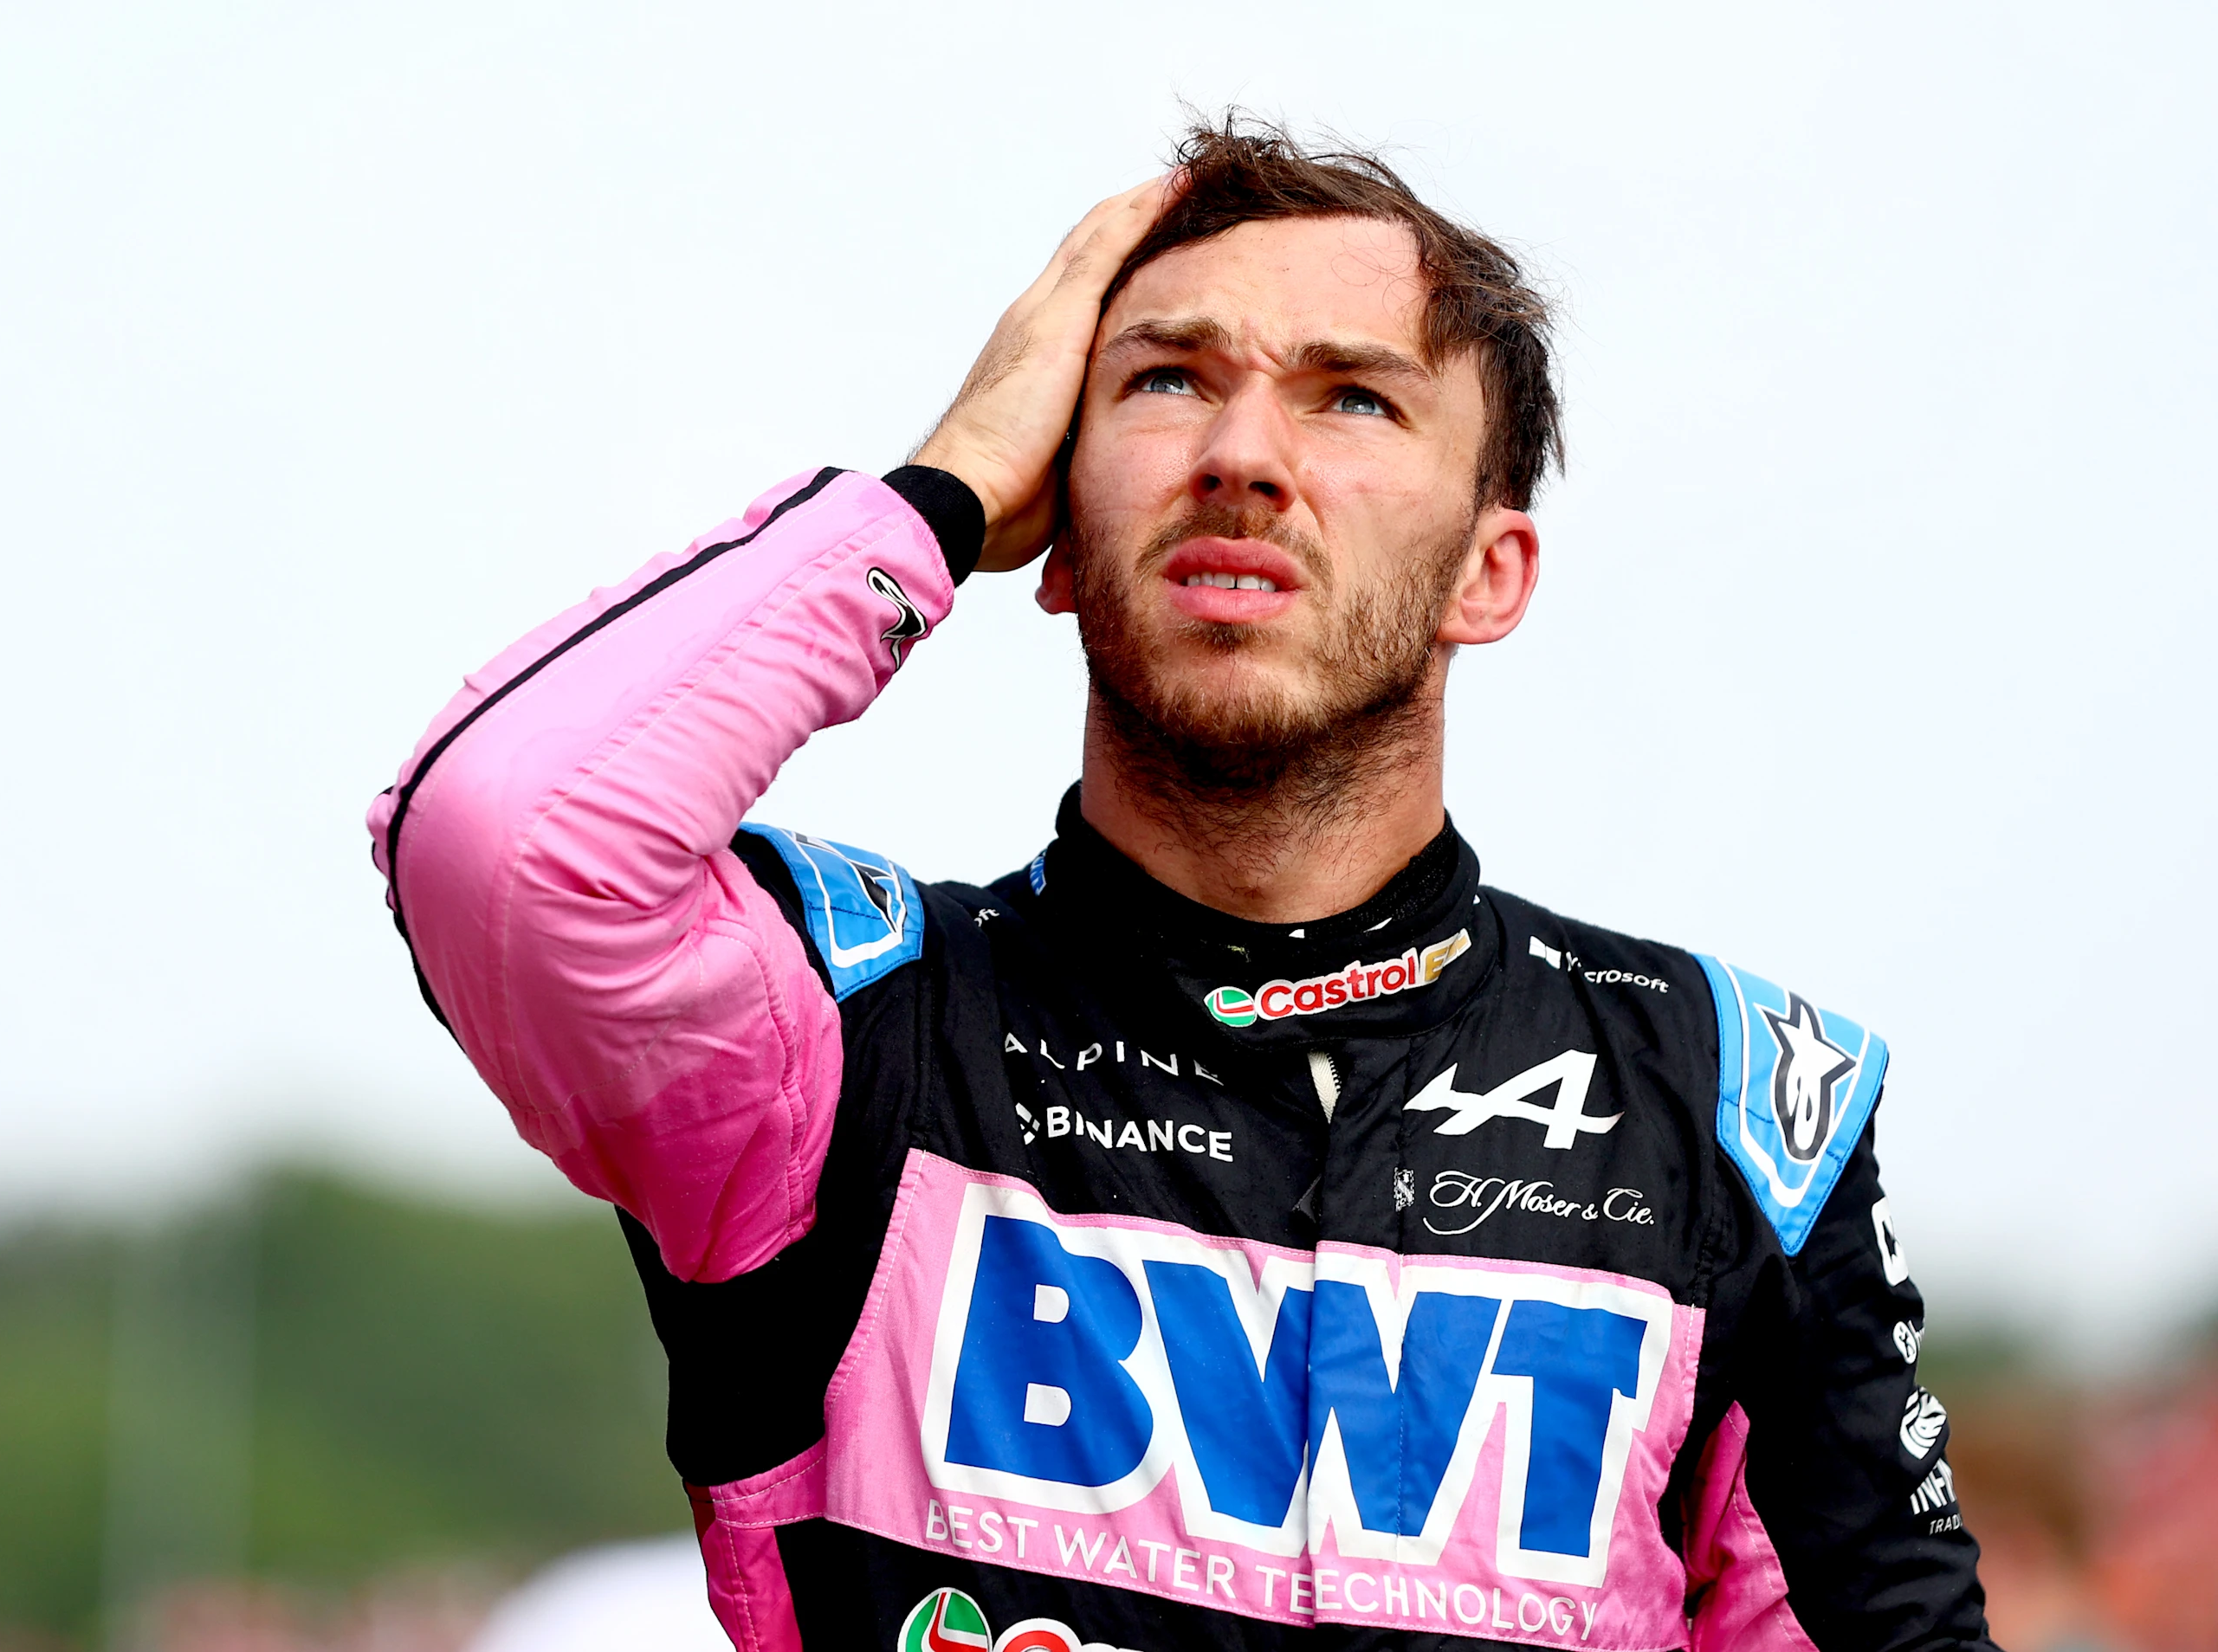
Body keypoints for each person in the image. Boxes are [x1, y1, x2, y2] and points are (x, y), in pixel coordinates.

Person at [368, 116, 1990, 1652]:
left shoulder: (1732, 1107)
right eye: (1164, 382)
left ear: (1488, 573)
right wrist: (932, 491)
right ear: (1057, 532)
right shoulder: (841, 1036)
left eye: (1354, 399)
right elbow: (508, 834)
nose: (1241, 456)